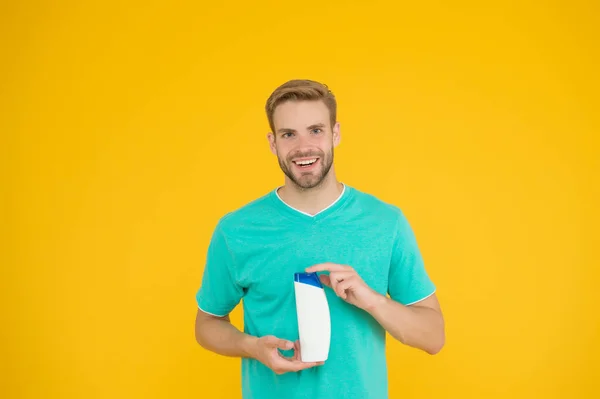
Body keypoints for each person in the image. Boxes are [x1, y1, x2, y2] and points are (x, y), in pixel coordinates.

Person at [194, 79, 445, 399]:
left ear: (335, 134)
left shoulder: (385, 223)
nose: (303, 147)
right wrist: (252, 347)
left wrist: (373, 301)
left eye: (315, 130)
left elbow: (433, 337)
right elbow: (207, 324)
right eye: (288, 134)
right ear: (273, 143)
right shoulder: (237, 230)